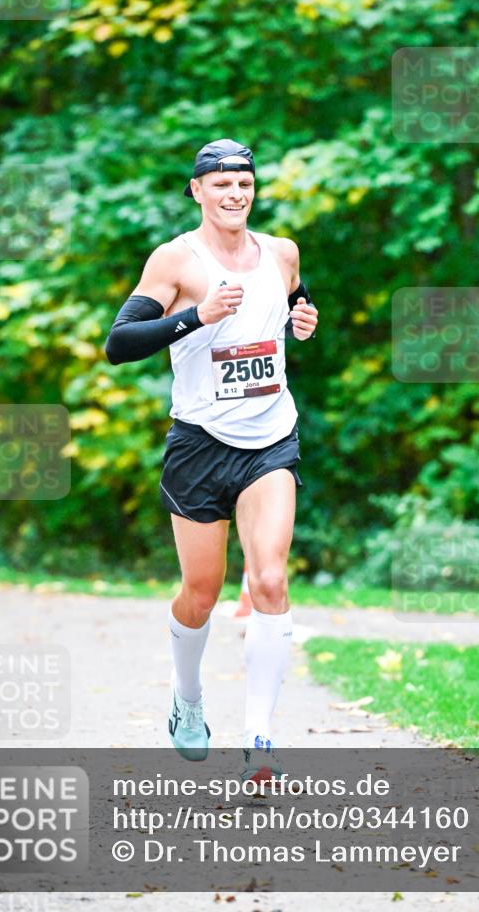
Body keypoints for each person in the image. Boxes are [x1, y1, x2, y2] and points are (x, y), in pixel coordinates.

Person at [105, 139, 318, 782]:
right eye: (221, 184)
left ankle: (260, 737)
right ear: (196, 190)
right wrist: (195, 317)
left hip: (269, 438)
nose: (235, 195)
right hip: (199, 444)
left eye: (245, 184)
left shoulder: (281, 253)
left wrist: (303, 318)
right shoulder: (177, 259)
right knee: (201, 593)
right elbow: (119, 344)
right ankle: (187, 700)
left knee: (270, 583)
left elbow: (294, 299)